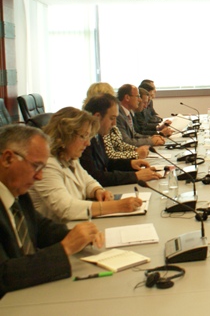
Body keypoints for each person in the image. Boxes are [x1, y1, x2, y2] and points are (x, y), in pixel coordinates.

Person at [0, 125, 104, 298]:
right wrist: (65, 248)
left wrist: (78, 237)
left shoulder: (18, 193)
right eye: (36, 166)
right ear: (8, 159)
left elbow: (41, 229)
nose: (40, 176)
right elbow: (4, 275)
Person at [29, 107, 143, 223]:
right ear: (64, 135)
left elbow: (87, 181)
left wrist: (97, 191)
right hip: (59, 230)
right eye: (83, 136)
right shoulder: (46, 165)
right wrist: (118, 206)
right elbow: (66, 208)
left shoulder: (70, 157)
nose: (88, 143)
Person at [81, 94, 161, 187]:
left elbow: (108, 163)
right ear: (97, 117)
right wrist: (135, 176)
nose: (114, 123)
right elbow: (95, 176)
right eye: (112, 118)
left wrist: (130, 164)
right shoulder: (83, 141)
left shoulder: (98, 134)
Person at [84, 82, 150, 160]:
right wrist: (136, 153)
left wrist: (136, 149)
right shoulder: (95, 128)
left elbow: (119, 144)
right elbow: (109, 155)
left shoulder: (109, 119)